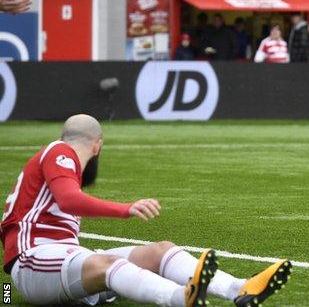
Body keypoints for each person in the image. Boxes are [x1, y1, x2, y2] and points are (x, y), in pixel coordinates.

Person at [0, 114, 291, 306]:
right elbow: (69, 200)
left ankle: (239, 288)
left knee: (159, 250)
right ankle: (181, 297)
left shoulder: (56, 166)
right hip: (31, 262)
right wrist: (125, 209)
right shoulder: (60, 151)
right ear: (97, 145)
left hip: (60, 263)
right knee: (107, 265)